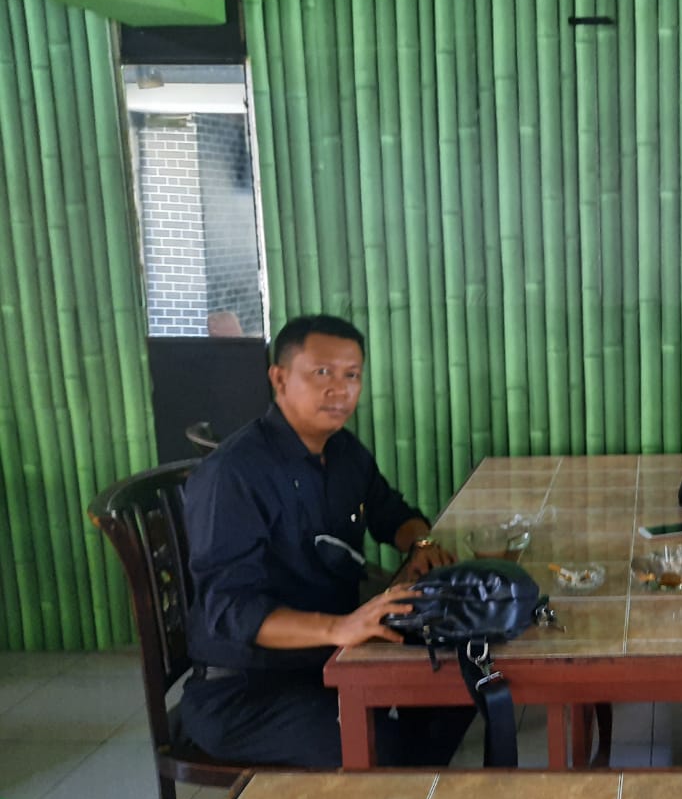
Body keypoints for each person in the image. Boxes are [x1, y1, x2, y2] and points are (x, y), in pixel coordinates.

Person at [178, 314, 475, 767]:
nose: (340, 389)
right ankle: (399, 780)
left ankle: (413, 782)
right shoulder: (234, 474)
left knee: (458, 683)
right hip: (246, 689)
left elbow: (392, 513)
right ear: (279, 378)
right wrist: (339, 628)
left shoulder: (343, 452)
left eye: (351, 375)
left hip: (329, 659)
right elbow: (229, 609)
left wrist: (420, 545)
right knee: (386, 748)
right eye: (322, 373)